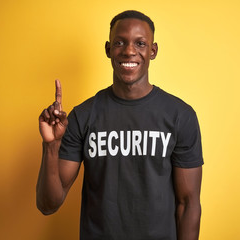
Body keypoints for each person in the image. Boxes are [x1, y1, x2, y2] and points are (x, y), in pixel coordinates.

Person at [36, 10, 203, 240]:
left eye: (140, 43)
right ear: (108, 49)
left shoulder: (180, 116)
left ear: (152, 51)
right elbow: (48, 204)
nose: (129, 51)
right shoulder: (82, 117)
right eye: (120, 42)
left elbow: (188, 205)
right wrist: (51, 146)